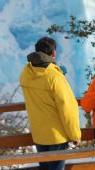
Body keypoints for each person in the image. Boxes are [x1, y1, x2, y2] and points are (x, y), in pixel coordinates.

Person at [20, 37, 81, 170]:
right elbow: (67, 108)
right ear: (53, 53)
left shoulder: (26, 73)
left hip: (39, 134)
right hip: (56, 136)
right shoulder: (54, 76)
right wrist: (74, 135)